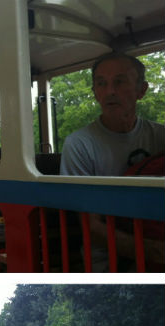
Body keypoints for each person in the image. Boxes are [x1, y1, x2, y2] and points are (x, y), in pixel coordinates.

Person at [60, 52, 165, 270]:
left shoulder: (161, 137)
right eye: (101, 83)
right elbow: (91, 227)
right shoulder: (79, 144)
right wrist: (152, 250)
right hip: (109, 263)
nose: (110, 92)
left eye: (119, 82)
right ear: (95, 93)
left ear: (141, 90)